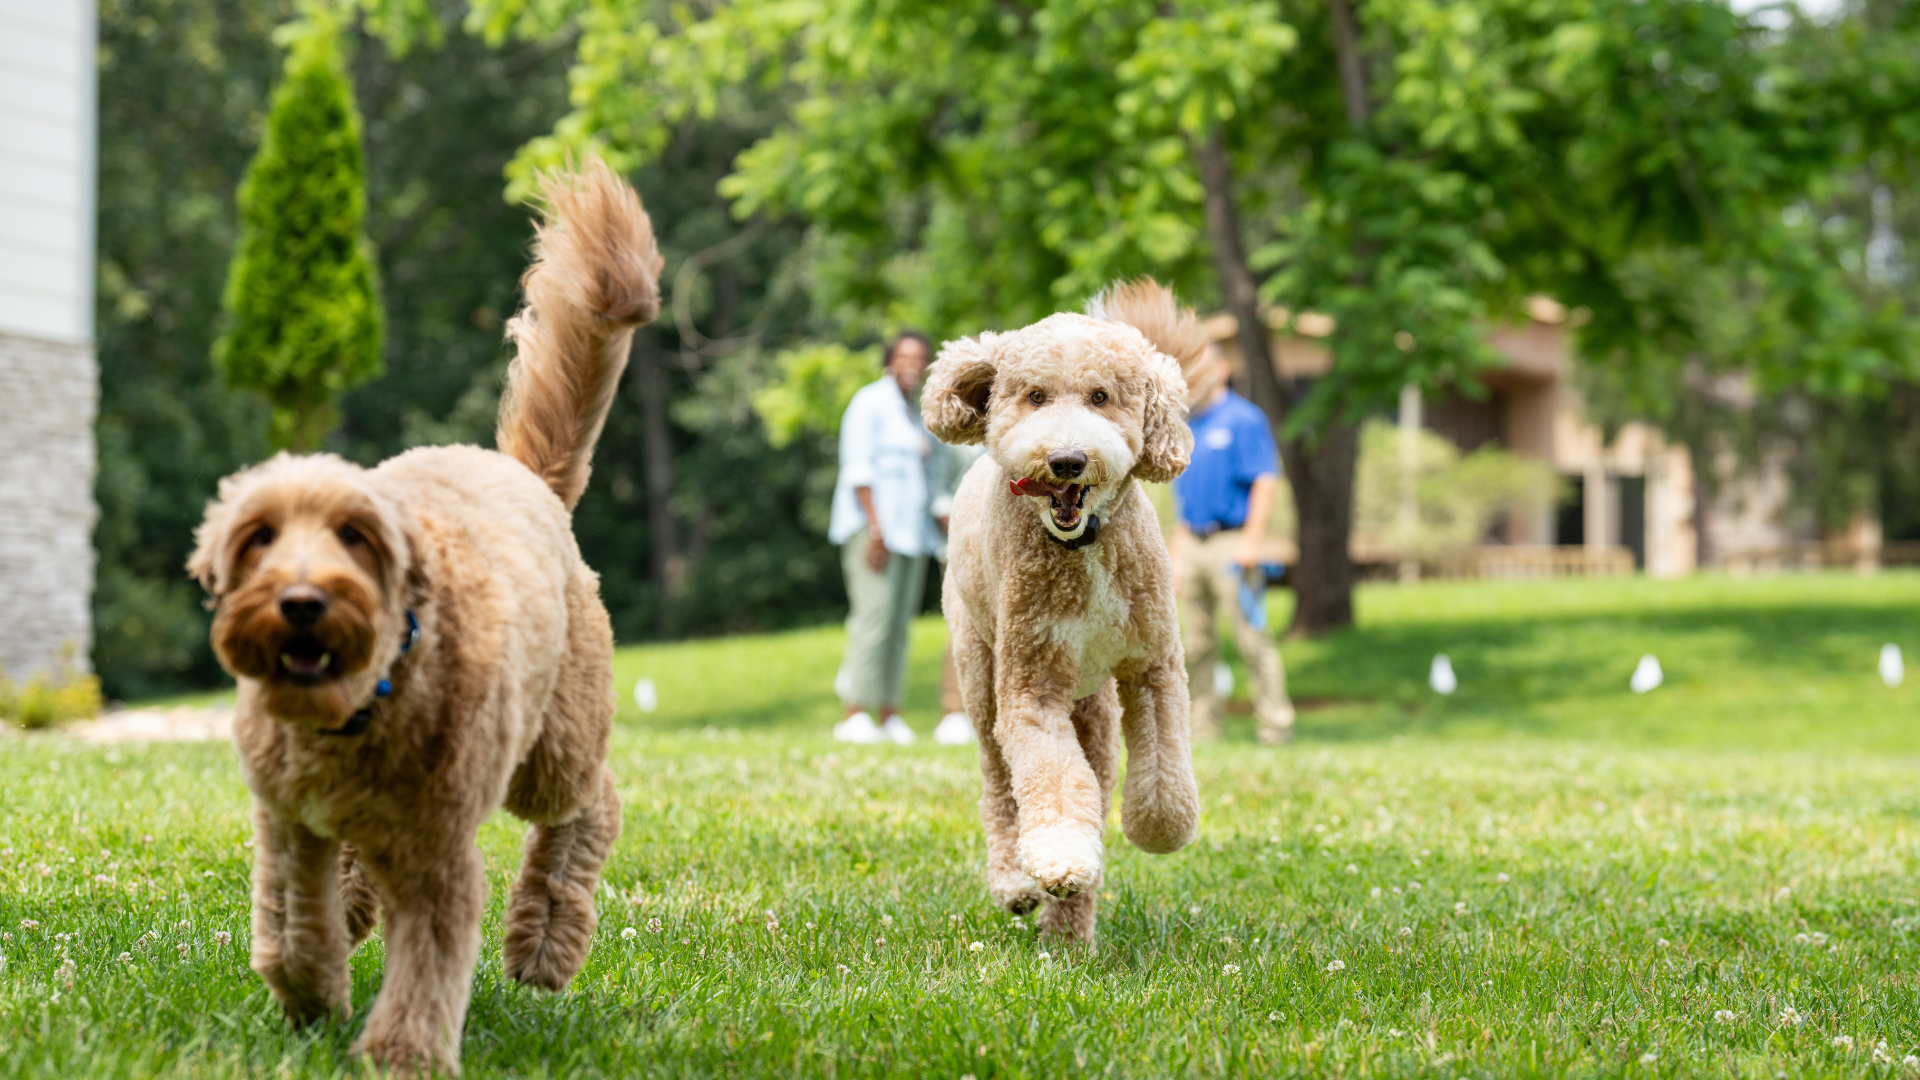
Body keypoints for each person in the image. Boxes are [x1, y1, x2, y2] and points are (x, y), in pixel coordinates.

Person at [1169, 343, 1297, 744]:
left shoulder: (1243, 419)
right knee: (1195, 644)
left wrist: (1252, 542)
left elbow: (1264, 479)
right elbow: (1184, 499)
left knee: (1252, 638)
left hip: (1234, 542)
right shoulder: (1189, 424)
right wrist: (1175, 553)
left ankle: (1275, 727)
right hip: (1193, 542)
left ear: (1222, 369)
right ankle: (1203, 731)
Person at [828, 332, 938, 744]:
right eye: (904, 357)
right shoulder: (869, 403)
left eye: (919, 358)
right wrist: (876, 529)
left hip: (911, 535)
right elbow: (858, 470)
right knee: (872, 621)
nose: (912, 364)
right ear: (889, 360)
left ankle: (889, 713)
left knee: (898, 627)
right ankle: (854, 712)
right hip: (874, 532)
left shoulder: (914, 414)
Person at [927, 438, 985, 745]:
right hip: (960, 545)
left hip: (1000, 548)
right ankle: (953, 712)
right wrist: (963, 526)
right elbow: (936, 494)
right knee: (962, 627)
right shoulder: (949, 441)